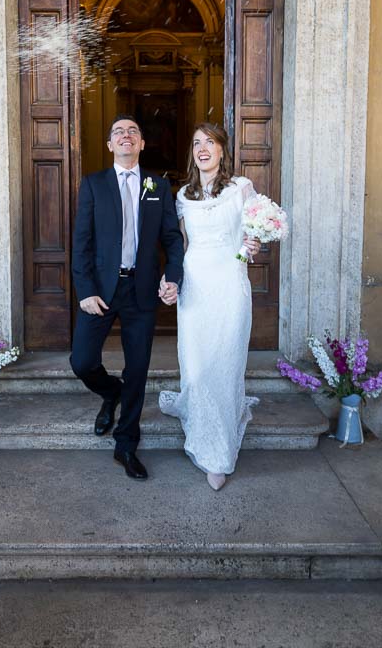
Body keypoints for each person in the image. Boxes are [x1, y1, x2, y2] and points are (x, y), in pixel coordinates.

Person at [70, 115, 184, 480]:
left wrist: (173, 274)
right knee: (82, 361)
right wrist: (85, 290)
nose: (126, 136)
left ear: (142, 144)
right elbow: (81, 243)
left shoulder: (158, 186)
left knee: (138, 369)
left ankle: (126, 443)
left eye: (133, 132)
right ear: (109, 145)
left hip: (141, 290)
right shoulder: (93, 185)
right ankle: (111, 392)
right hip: (101, 291)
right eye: (118, 131)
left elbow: (171, 238)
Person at [159, 122, 260, 491]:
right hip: (196, 286)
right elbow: (181, 246)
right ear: (193, 153)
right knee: (199, 368)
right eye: (197, 142)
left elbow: (254, 235)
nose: (203, 148)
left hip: (230, 284)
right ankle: (203, 437)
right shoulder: (183, 195)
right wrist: (169, 280)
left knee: (226, 361)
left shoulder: (241, 189)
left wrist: (254, 246)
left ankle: (218, 456)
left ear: (222, 151)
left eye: (210, 142)